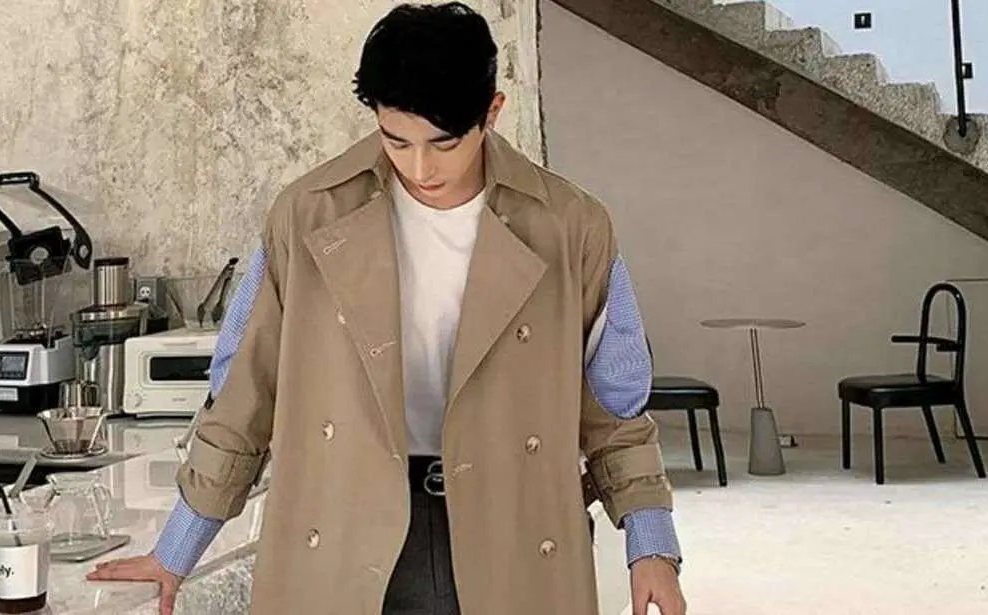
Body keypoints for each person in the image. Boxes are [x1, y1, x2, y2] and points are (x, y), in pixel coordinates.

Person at [87, 3, 686, 614]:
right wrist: (176, 549)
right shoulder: (306, 215)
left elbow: (616, 408)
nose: (421, 167)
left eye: (444, 143)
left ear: (492, 111)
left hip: (512, 529)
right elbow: (244, 391)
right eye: (396, 140)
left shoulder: (572, 227)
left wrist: (652, 547)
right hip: (344, 530)